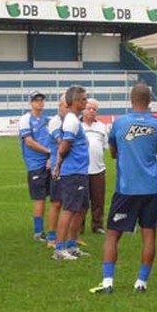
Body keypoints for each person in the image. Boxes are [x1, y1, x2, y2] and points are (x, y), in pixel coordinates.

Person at [90, 84, 157, 294]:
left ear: (131, 99)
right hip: (151, 188)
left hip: (126, 188)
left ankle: (108, 282)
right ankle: (141, 282)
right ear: (149, 100)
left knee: (113, 235)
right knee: (149, 233)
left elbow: (113, 152)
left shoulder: (119, 124)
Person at [52, 86, 90, 260]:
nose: (85, 102)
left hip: (80, 171)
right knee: (69, 209)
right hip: (73, 172)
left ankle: (72, 244)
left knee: (80, 208)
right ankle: (59, 249)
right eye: (83, 99)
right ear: (74, 101)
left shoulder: (74, 119)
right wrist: (59, 164)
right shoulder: (72, 121)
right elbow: (65, 145)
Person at [18, 91, 51, 241]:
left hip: (50, 164)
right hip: (35, 165)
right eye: (36, 100)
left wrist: (52, 156)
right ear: (31, 103)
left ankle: (53, 231)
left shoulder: (47, 120)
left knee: (57, 199)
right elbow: (29, 142)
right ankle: (38, 232)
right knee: (40, 199)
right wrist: (48, 152)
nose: (39, 103)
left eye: (41, 100)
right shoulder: (26, 119)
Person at [81, 99, 108, 235]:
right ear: (83, 109)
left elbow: (104, 147)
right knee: (81, 201)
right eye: (89, 108)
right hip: (81, 170)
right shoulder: (78, 126)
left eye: (94, 109)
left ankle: (97, 225)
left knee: (98, 200)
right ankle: (78, 227)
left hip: (98, 169)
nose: (91, 111)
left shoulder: (102, 127)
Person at [46, 95, 68, 247]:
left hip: (70, 167)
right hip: (57, 167)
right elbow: (62, 143)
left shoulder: (72, 121)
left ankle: (69, 236)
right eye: (66, 105)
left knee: (70, 203)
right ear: (60, 105)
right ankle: (51, 237)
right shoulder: (55, 121)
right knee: (57, 202)